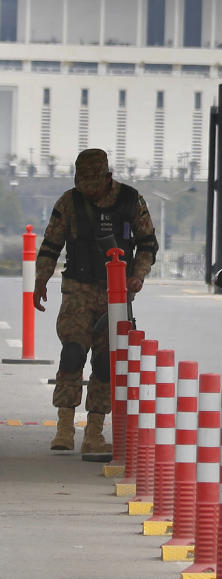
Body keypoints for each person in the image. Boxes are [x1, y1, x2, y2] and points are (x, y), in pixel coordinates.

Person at [34, 148, 158, 455]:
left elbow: (147, 245)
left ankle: (94, 430)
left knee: (105, 363)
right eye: (82, 181)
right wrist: (40, 280)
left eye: (94, 181)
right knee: (73, 353)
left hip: (115, 295)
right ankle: (64, 426)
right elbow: (51, 244)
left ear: (108, 177)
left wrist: (137, 277)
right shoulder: (69, 202)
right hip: (77, 289)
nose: (88, 187)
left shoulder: (130, 201)